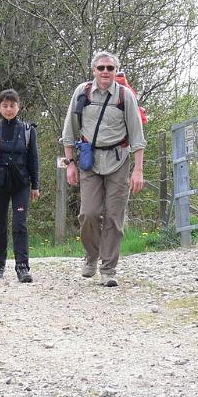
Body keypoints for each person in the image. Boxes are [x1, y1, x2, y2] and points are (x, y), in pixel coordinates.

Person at [61, 51, 146, 287]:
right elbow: (69, 132)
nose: (105, 72)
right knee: (88, 213)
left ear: (116, 71)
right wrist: (70, 164)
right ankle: (91, 255)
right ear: (94, 70)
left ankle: (108, 269)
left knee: (114, 217)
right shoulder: (82, 93)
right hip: (90, 161)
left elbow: (138, 137)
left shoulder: (125, 96)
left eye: (110, 68)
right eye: (101, 68)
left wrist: (137, 170)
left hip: (119, 161)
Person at [0, 89, 40, 282]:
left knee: (20, 224)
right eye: (5, 105)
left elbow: (33, 159)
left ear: (18, 106)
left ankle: (22, 267)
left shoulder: (28, 131)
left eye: (12, 105)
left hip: (21, 183)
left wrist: (35, 185)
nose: (8, 109)